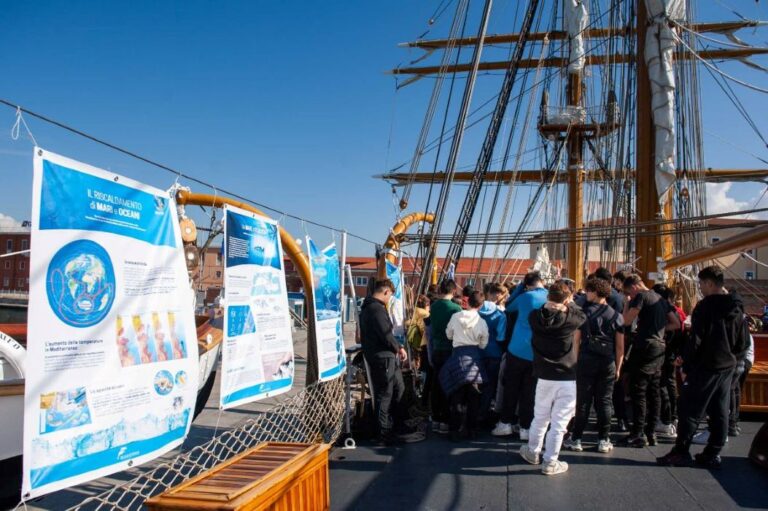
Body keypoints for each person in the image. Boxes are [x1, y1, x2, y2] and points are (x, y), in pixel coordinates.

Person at [657, 266, 750, 467]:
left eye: (700, 283)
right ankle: (712, 453)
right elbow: (743, 341)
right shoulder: (737, 307)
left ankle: (681, 451)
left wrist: (687, 364)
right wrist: (733, 357)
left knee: (689, 409)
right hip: (727, 366)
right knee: (719, 410)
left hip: (706, 365)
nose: (699, 287)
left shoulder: (705, 307)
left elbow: (696, 339)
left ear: (708, 283)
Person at [519, 281, 586, 475]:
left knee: (540, 416)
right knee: (559, 422)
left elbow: (542, 311)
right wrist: (567, 303)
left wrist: (552, 303)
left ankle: (532, 451)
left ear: (548, 298)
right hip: (566, 376)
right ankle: (550, 461)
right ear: (566, 299)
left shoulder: (534, 317)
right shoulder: (572, 320)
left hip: (543, 375)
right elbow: (580, 314)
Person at [564, 277, 624, 454]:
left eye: (589, 291)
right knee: (605, 401)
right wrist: (618, 367)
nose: (586, 294)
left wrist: (574, 362)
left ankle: (576, 439)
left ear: (596, 292)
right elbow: (620, 346)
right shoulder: (617, 316)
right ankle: (603, 439)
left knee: (583, 401)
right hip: (608, 360)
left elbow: (576, 341)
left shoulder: (583, 313)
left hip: (586, 359)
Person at [622, 274, 681, 447]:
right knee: (654, 390)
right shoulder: (661, 299)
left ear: (634, 287)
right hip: (659, 347)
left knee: (638, 389)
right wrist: (661, 330)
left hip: (645, 346)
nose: (630, 296)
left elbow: (626, 321)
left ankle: (638, 433)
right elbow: (676, 323)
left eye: (628, 293)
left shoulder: (641, 297)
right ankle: (651, 432)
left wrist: (627, 303)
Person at [493, 272, 548, 440]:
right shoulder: (550, 296)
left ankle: (505, 423)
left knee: (511, 388)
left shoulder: (525, 297)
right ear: (542, 282)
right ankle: (525, 427)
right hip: (538, 351)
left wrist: (519, 288)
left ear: (527, 284)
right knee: (530, 392)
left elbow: (508, 305)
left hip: (517, 348)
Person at [359, 279, 410, 445]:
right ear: (386, 292)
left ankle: (398, 424)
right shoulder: (376, 309)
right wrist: (399, 348)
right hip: (382, 357)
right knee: (385, 394)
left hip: (384, 356)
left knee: (399, 387)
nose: (389, 300)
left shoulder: (368, 308)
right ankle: (383, 432)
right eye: (390, 296)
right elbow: (386, 333)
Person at [440, 291, 489, 441]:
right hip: (473, 359)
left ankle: (454, 431)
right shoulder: (482, 322)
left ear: (467, 302)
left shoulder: (456, 317)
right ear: (480, 305)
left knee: (457, 397)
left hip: (457, 357)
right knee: (474, 399)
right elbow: (483, 344)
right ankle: (471, 430)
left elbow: (448, 334)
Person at [428, 279, 463, 434]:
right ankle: (445, 420)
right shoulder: (456, 308)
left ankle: (435, 418)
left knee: (436, 384)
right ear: (454, 291)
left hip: (436, 349)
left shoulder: (434, 307)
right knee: (449, 385)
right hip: (450, 350)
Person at [652, 284, 687, 438]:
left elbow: (676, 327)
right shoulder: (677, 311)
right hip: (673, 352)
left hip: (667, 353)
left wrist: (658, 329)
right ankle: (672, 418)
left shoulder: (667, 311)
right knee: (669, 385)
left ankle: (667, 420)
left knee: (663, 385)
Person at [478, 283, 507, 426]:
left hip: (478, 352)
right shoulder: (500, 315)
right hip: (494, 353)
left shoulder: (476, 311)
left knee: (476, 384)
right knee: (490, 386)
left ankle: (473, 414)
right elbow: (501, 337)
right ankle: (483, 414)